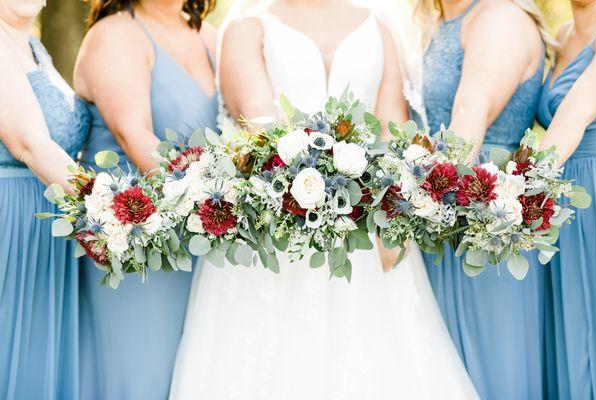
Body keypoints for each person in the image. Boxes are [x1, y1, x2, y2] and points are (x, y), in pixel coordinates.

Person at [169, 1, 478, 399]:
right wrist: (319, 184)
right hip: (277, 232)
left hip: (367, 230)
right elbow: (260, 126)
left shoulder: (378, 26)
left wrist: (391, 211)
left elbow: (392, 130)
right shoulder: (248, 28)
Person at [73, 0, 217, 398]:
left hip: (205, 242)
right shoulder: (116, 34)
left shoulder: (208, 37)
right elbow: (134, 137)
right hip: (138, 245)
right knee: (142, 380)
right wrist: (218, 206)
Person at [417, 0, 558, 398]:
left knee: (485, 375)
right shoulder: (443, 20)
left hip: (485, 228)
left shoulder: (500, 17)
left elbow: (467, 127)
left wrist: (415, 198)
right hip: (438, 215)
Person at [0, 0, 90, 398]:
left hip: (50, 223)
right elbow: (30, 144)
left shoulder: (36, 48)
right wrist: (109, 206)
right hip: (11, 223)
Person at [536, 1, 596, 398]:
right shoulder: (560, 38)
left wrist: (520, 187)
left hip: (593, 194)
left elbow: (574, 114)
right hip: (560, 197)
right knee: (573, 331)